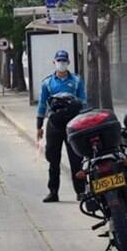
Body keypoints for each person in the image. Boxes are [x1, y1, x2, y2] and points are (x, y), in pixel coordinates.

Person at [36, 50, 87, 203]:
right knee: (53, 159)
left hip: (74, 124)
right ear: (54, 62)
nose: (61, 64)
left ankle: (81, 191)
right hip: (54, 125)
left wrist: (85, 121)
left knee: (76, 158)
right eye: (59, 61)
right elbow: (41, 105)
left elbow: (83, 101)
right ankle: (53, 192)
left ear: (68, 63)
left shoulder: (77, 81)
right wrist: (39, 126)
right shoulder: (47, 83)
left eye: (64, 61)